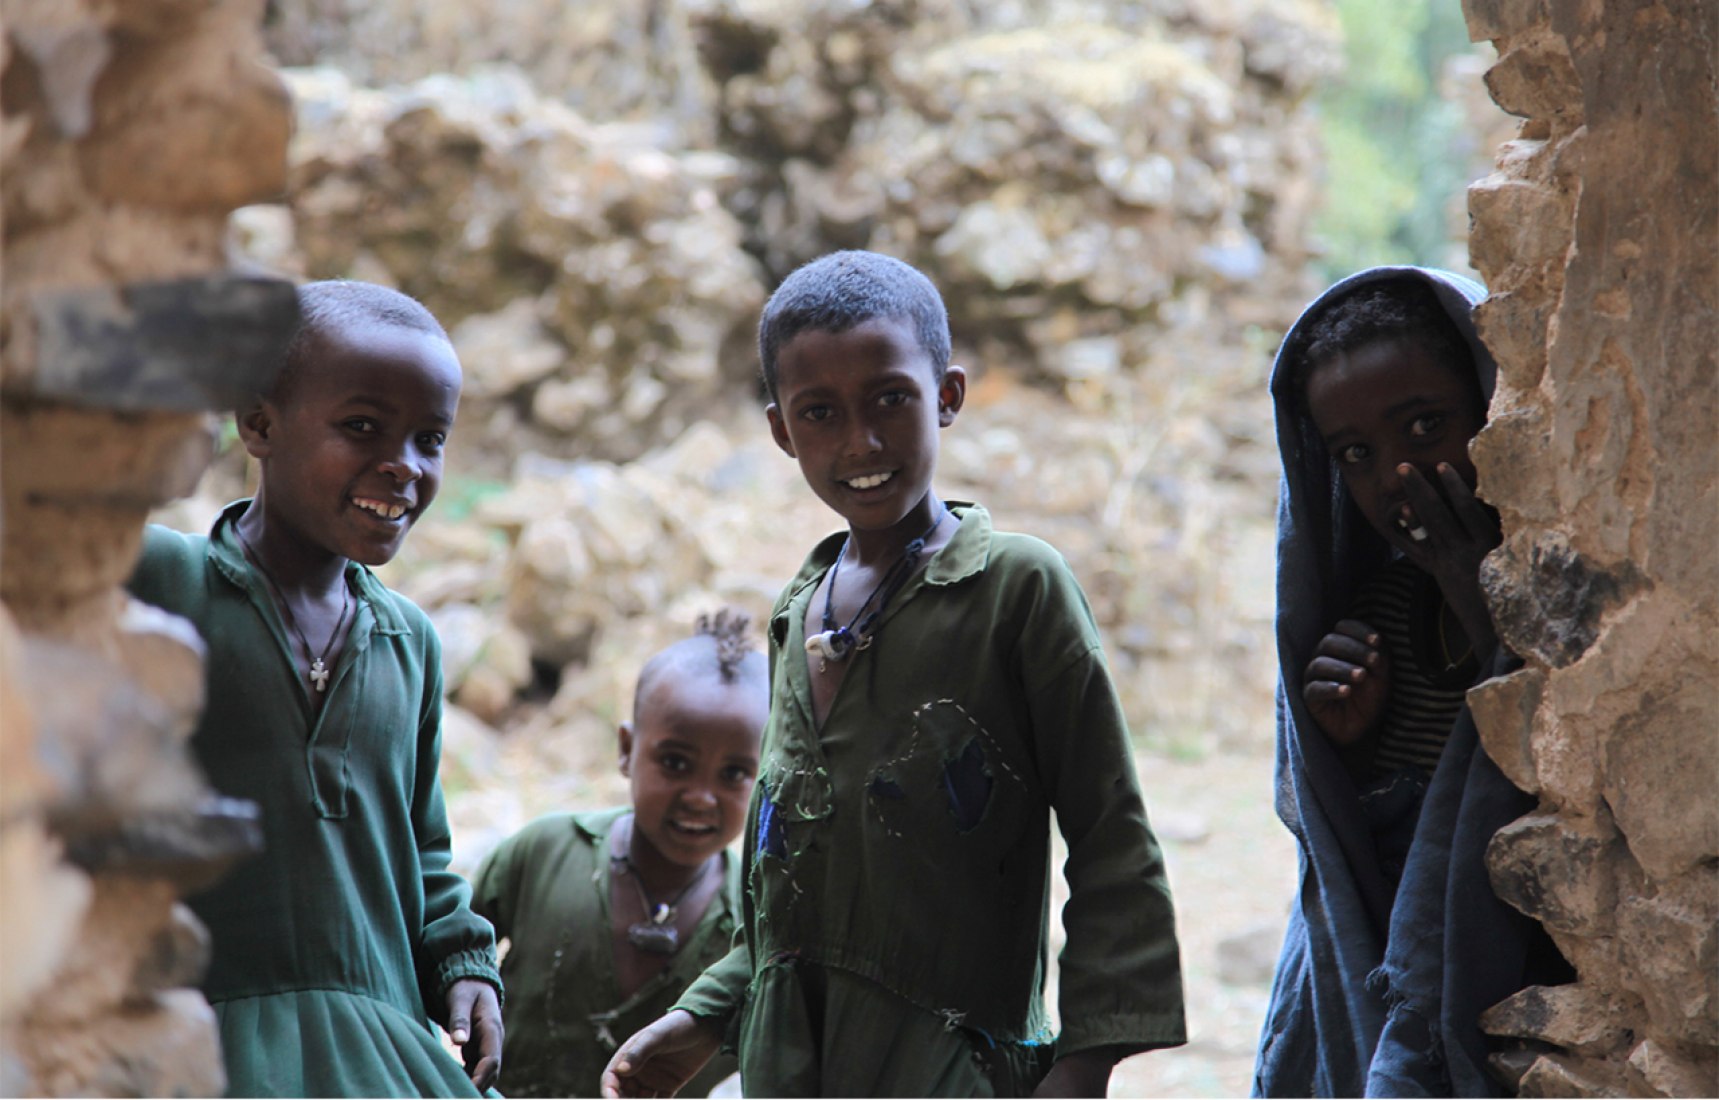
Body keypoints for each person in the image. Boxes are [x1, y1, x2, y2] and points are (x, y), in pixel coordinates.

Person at [602, 250, 1186, 1099]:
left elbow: (1111, 842)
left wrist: (1086, 1060)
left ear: (946, 396)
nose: (860, 442)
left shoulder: (1015, 589)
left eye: (890, 399)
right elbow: (793, 884)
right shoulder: (796, 610)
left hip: (952, 1063)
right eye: (820, 413)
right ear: (780, 432)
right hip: (791, 1066)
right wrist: (704, 1018)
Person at [127, 280, 504, 1097]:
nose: (403, 466)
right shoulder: (157, 579)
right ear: (258, 423)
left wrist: (463, 962)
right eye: (362, 427)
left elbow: (420, 846)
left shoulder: (411, 643)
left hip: (377, 1046)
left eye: (430, 438)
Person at [1253, 267, 1569, 1096]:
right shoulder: (1374, 609)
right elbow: (1347, 834)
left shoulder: (1569, 604)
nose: (1396, 474)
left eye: (1426, 426)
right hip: (1372, 984)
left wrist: (1485, 616)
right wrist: (1344, 742)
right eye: (1355, 453)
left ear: (1491, 404)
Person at [470, 609, 768, 1098]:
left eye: (734, 774)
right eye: (675, 762)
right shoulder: (543, 854)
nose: (701, 796)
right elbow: (452, 956)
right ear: (627, 749)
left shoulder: (755, 923)